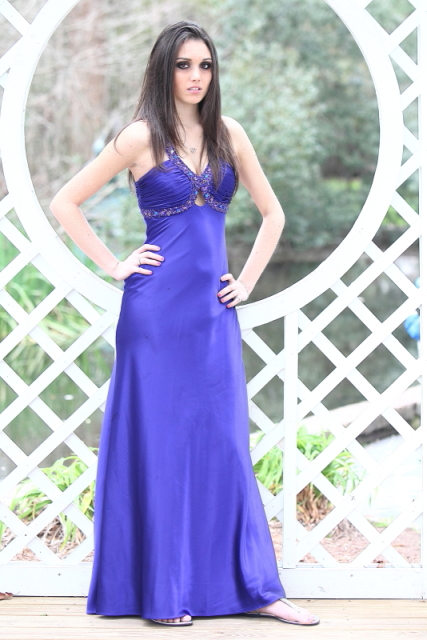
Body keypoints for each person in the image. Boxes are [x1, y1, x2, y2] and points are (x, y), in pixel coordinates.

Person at [50, 20, 319, 628]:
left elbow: (272, 214)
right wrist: (115, 264)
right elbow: (65, 201)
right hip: (154, 315)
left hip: (212, 314)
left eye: (205, 65)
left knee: (224, 443)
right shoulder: (139, 136)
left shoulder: (229, 133)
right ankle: (163, 593)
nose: (196, 76)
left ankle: (257, 588)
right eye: (183, 65)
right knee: (162, 446)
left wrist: (246, 282)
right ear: (163, 70)